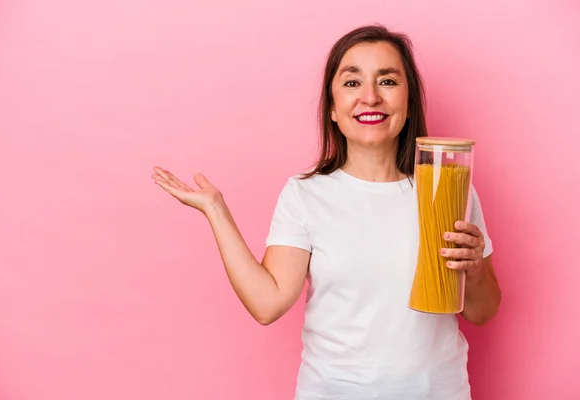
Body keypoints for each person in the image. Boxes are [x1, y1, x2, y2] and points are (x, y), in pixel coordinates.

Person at [152, 24, 501, 400]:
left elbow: (482, 312)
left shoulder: (447, 189)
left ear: (409, 101)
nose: (370, 97)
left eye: (387, 81)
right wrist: (216, 210)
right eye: (352, 83)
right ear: (333, 108)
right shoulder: (306, 195)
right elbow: (267, 303)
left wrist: (476, 267)